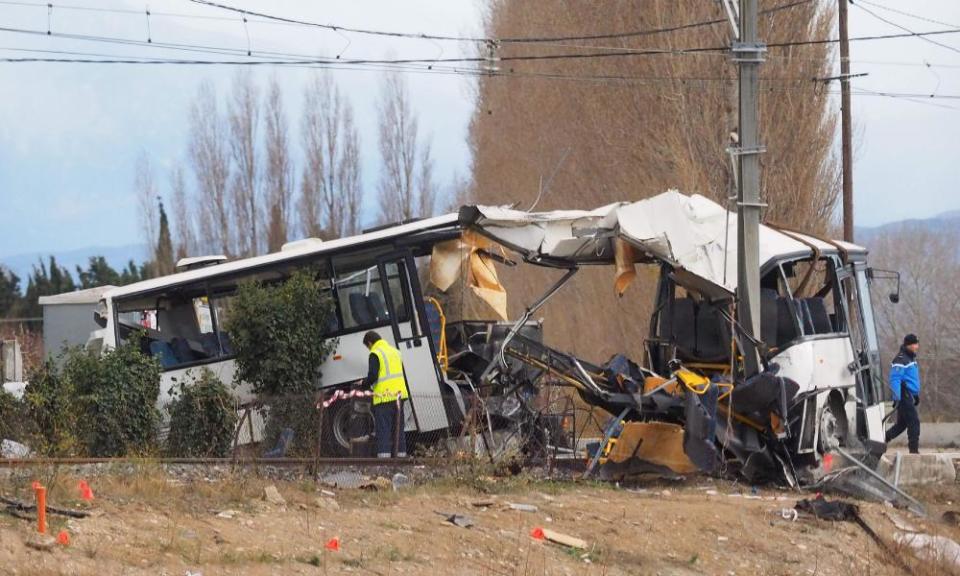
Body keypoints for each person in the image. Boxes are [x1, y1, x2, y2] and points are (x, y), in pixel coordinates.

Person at [360, 331, 410, 458]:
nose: (368, 349)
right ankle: (401, 457)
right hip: (399, 396)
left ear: (370, 343)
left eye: (367, 346)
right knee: (398, 428)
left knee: (384, 429)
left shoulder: (375, 353)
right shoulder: (395, 352)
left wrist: (363, 383)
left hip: (384, 397)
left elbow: (373, 376)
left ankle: (384, 459)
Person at [885, 333, 921, 454]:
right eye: (915, 344)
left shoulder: (910, 358)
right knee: (914, 422)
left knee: (902, 424)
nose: (917, 346)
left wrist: (915, 395)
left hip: (908, 395)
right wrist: (897, 398)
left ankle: (883, 439)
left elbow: (911, 379)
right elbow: (895, 379)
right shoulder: (901, 359)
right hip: (902, 395)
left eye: (917, 343)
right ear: (908, 345)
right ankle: (914, 451)